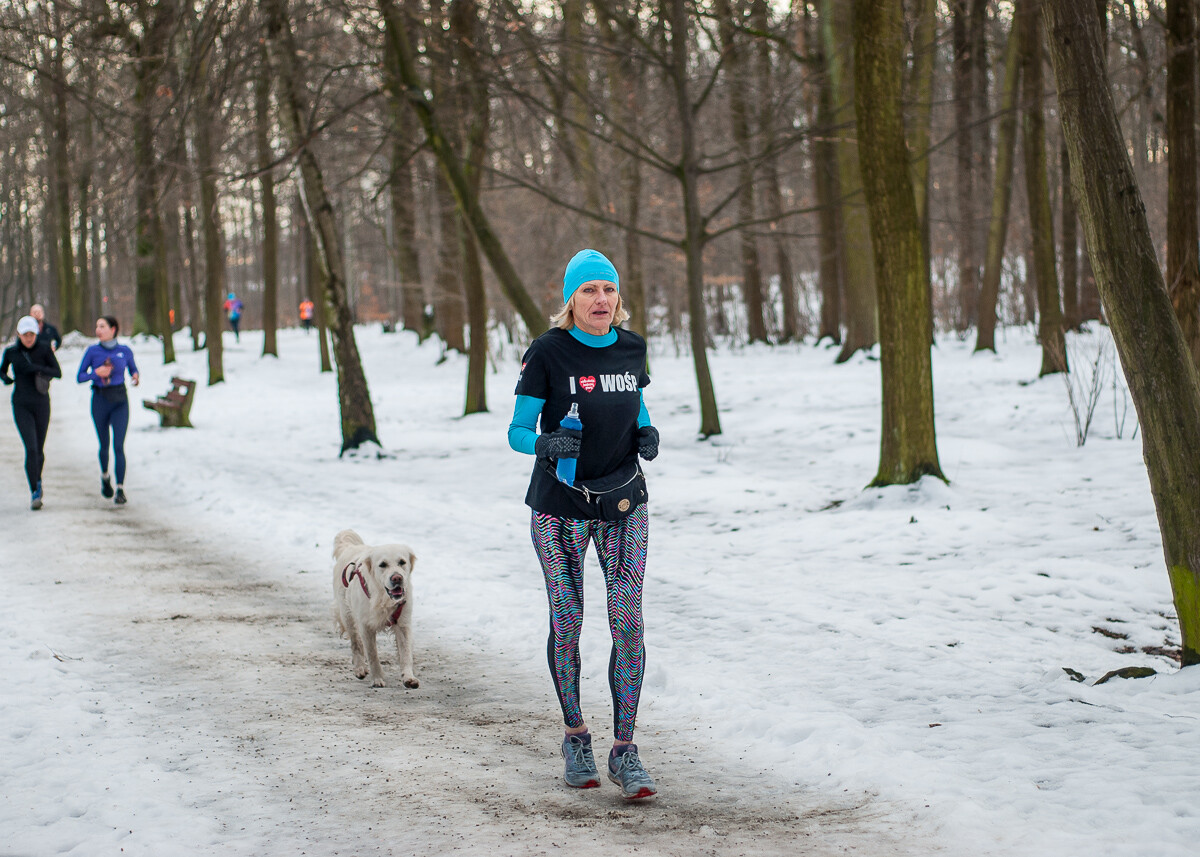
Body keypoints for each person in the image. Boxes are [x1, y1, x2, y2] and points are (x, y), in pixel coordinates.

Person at [507, 248, 662, 800]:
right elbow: (517, 430)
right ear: (570, 299)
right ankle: (576, 736)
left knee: (627, 623)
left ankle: (626, 750)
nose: (601, 300)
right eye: (589, 290)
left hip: (623, 501)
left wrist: (646, 430)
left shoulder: (632, 347)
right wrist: (546, 442)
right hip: (560, 506)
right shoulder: (548, 352)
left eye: (608, 290)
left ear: (619, 297)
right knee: (568, 623)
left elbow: (635, 402)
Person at [77, 316, 139, 505]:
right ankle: (105, 477)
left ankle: (120, 488)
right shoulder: (92, 351)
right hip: (100, 400)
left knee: (119, 446)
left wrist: (135, 376)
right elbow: (80, 376)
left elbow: (133, 369)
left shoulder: (124, 351)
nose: (98, 329)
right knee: (104, 445)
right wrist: (95, 373)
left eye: (102, 326)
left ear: (113, 329)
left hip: (120, 400)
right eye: (97, 326)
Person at [2, 316, 62, 509]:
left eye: (32, 334)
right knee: (31, 448)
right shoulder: (12, 352)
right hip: (21, 403)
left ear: (36, 334)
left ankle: (38, 479)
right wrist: (7, 379)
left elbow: (57, 372)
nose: (29, 338)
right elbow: (2, 371)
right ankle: (34, 490)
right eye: (25, 335)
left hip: (41, 403)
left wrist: (35, 368)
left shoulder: (44, 349)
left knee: (40, 450)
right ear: (18, 334)